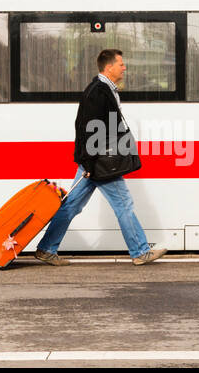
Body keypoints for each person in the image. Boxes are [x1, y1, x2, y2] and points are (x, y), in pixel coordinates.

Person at [33, 49, 168, 266]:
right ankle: (140, 251)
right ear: (109, 67)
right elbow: (87, 128)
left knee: (71, 206)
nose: (124, 67)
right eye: (121, 64)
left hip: (95, 161)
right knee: (123, 203)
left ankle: (46, 249)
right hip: (100, 163)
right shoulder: (98, 91)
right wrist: (89, 162)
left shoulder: (105, 89)